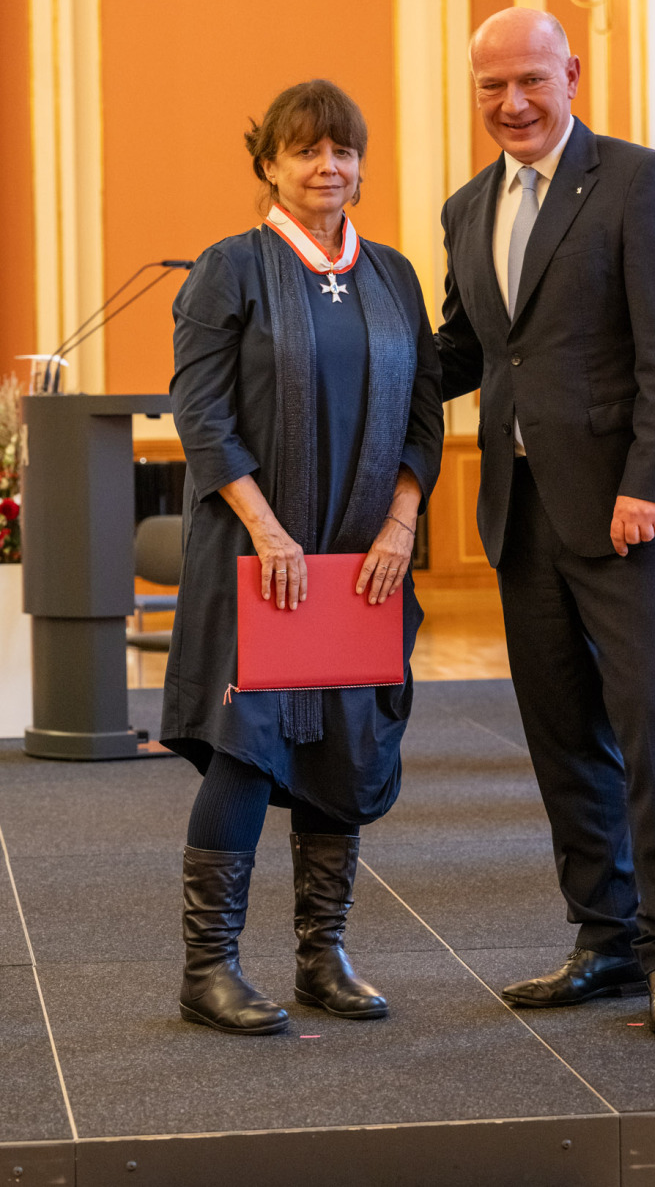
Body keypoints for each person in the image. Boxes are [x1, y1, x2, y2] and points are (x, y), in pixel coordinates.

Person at [436, 8, 655, 1036]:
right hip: (520, 516)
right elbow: (467, 356)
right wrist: (347, 370)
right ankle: (601, 937)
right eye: (489, 87)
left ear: (570, 74)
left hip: (629, 512)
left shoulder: (638, 181)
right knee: (563, 735)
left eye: (528, 80)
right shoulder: (467, 209)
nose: (510, 103)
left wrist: (648, 481)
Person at [162, 79, 443, 1035]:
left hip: (363, 562)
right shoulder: (229, 269)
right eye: (307, 151)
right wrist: (272, 531)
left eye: (344, 150)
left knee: (345, 752)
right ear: (269, 166)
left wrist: (401, 525)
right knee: (250, 750)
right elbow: (200, 418)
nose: (330, 167)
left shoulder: (394, 275)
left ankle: (322, 957)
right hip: (260, 561)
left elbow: (423, 418)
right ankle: (209, 969)